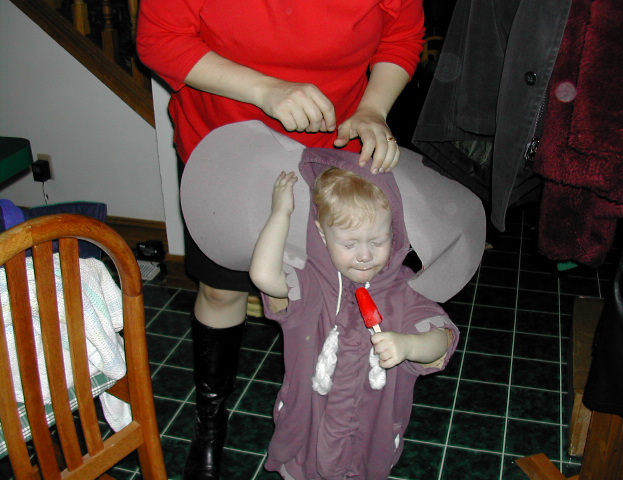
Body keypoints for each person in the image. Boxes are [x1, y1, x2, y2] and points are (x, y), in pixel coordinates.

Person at [136, 0, 425, 478]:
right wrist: (264, 89)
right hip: (224, 145)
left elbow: (401, 36)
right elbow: (159, 39)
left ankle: (322, 419)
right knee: (220, 290)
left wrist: (373, 108)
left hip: (333, 153)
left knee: (331, 297)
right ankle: (210, 423)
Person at [249, 151, 459, 480]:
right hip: (308, 430)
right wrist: (281, 213)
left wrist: (409, 346)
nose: (364, 255)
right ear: (322, 234)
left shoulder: (403, 293)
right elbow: (263, 275)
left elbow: (442, 340)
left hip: (368, 436)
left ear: (395, 233)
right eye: (349, 244)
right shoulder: (311, 286)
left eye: (377, 241)